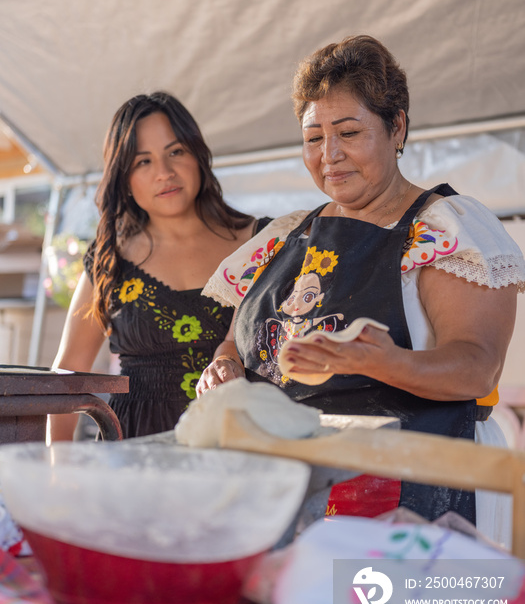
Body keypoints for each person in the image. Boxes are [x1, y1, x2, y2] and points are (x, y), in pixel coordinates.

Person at [196, 35, 525, 544]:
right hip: (283, 490)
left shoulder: (443, 230)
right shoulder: (286, 234)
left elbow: (476, 367)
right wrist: (226, 365)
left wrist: (381, 361)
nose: (329, 156)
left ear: (397, 127)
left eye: (348, 132)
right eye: (312, 138)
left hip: (406, 492)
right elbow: (242, 341)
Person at [50, 91, 267, 441]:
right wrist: (55, 472)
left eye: (176, 152)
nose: (164, 173)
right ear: (125, 178)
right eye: (143, 162)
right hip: (132, 455)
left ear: (198, 155)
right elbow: (68, 375)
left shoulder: (260, 242)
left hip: (240, 452)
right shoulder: (108, 259)